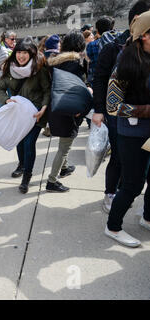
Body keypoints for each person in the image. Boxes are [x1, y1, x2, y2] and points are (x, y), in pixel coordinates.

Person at [91, 0, 150, 213]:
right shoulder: (114, 47)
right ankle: (111, 193)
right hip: (119, 116)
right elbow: (99, 80)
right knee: (118, 157)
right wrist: (99, 110)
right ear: (138, 21)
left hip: (143, 122)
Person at [103, 11, 150, 248]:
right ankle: (113, 227)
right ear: (143, 35)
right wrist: (145, 110)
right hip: (132, 134)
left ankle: (147, 217)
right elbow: (112, 106)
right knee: (132, 184)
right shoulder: (126, 61)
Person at [0, 37, 51, 194]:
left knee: (29, 143)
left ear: (31, 53)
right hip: (18, 113)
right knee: (19, 142)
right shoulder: (10, 69)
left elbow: (47, 90)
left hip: (36, 113)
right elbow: (0, 89)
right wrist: (6, 100)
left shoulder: (39, 68)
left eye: (24, 53)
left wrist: (44, 108)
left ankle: (26, 177)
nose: (21, 56)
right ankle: (21, 165)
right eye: (18, 52)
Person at [46, 31, 90, 193]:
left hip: (55, 107)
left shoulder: (55, 62)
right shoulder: (77, 63)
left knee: (64, 142)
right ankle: (52, 181)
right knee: (64, 147)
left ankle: (64, 168)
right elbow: (78, 88)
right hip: (70, 109)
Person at [86, 17, 115, 85]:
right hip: (115, 80)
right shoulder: (118, 42)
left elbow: (88, 63)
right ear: (111, 28)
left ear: (97, 30)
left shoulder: (92, 45)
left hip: (97, 80)